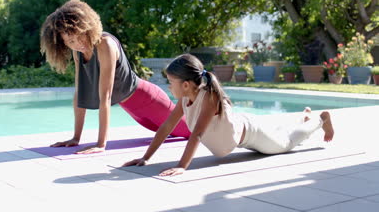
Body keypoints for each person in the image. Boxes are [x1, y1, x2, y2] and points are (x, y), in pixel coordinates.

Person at [123, 54, 335, 176]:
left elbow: (196, 134)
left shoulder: (208, 98)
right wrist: (145, 158)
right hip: (243, 133)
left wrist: (181, 166)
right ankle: (304, 117)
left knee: (287, 143)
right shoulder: (186, 99)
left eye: (171, 82)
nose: (169, 87)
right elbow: (166, 126)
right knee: (285, 134)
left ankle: (320, 119)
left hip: (252, 134)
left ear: (186, 85)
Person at [40, 0, 191, 154]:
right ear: (63, 43)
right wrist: (75, 138)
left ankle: (212, 111)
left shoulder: (105, 44)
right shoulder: (78, 53)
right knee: (173, 133)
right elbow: (80, 93)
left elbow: (105, 96)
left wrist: (101, 144)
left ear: (87, 27)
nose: (78, 43)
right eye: (71, 41)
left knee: (192, 131)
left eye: (80, 35)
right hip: (134, 110)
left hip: (149, 101)